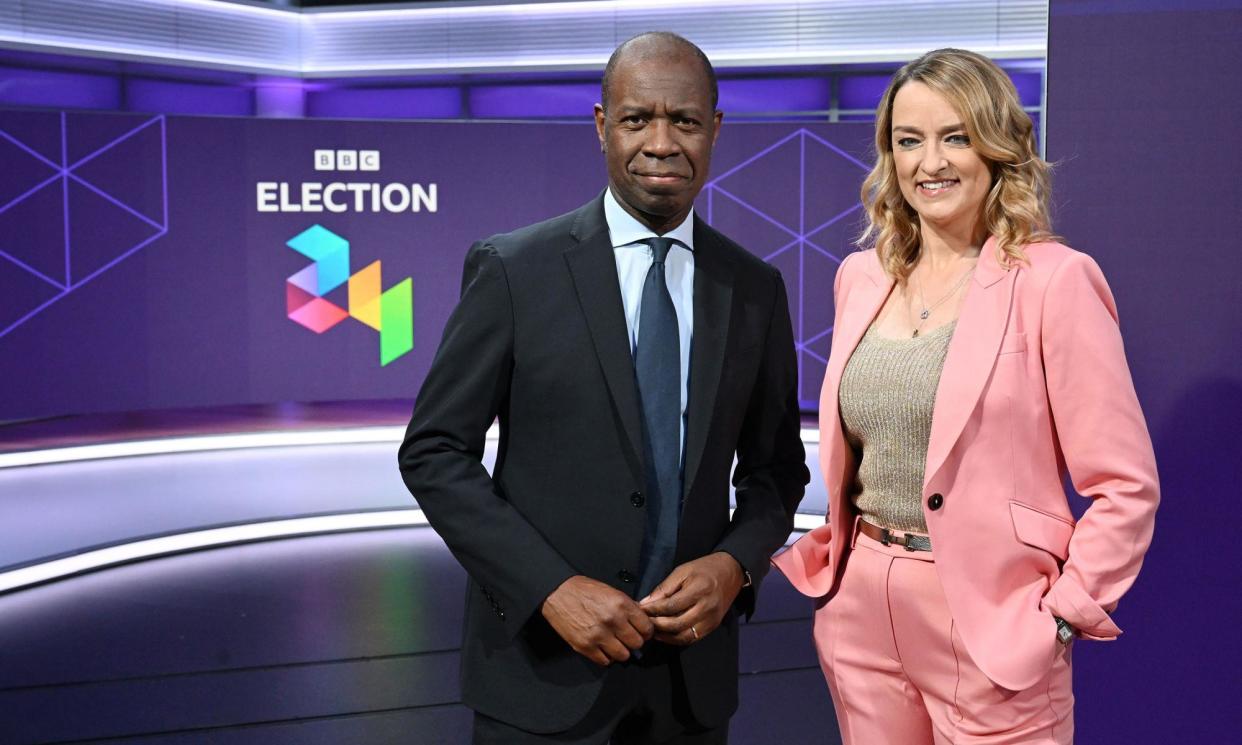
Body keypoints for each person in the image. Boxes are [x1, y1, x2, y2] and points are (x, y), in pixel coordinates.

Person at [399, 32, 808, 745]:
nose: (660, 141)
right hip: (542, 679)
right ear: (601, 126)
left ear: (714, 130)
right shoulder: (514, 270)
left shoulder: (754, 289)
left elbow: (776, 471)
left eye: (683, 120)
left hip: (691, 690)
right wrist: (549, 587)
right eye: (636, 118)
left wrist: (734, 565)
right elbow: (434, 452)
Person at [773, 48, 1159, 744]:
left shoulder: (1054, 280)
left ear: (998, 146)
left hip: (991, 619)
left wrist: (1062, 614)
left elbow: (1126, 486)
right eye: (908, 140)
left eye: (955, 136)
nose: (931, 162)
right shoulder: (862, 277)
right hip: (861, 606)